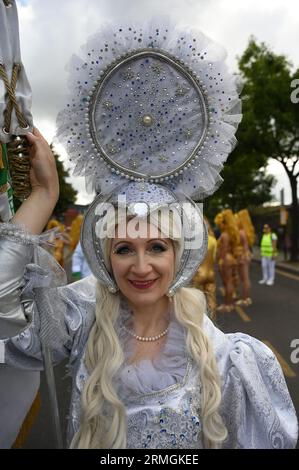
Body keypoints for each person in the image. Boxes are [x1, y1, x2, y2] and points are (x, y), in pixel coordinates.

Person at [0, 22, 297, 450]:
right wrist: (44, 197)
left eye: (156, 246)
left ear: (180, 252)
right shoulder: (79, 319)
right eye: (124, 249)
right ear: (105, 255)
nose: (141, 267)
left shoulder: (227, 356)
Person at [192, 217, 217, 319]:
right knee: (211, 298)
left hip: (198, 274)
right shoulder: (213, 240)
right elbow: (215, 257)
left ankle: (199, 320)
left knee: (197, 299)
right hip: (210, 273)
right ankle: (213, 320)